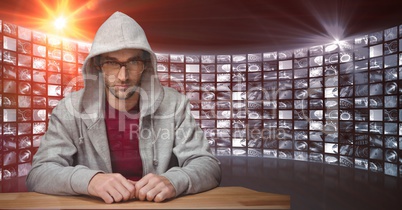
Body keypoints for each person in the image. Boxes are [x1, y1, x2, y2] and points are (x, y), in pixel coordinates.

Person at [26, 11, 221, 204]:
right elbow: (40, 173)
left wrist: (174, 180)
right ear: (98, 65)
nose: (123, 76)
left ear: (145, 65)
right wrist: (90, 181)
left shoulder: (175, 104)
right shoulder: (69, 109)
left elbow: (208, 165)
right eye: (112, 63)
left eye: (133, 62)